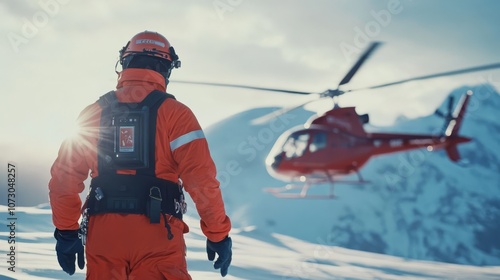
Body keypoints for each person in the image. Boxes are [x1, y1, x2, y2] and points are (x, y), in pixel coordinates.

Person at [48, 31, 232, 279]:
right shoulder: (177, 115)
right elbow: (202, 181)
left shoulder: (93, 113)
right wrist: (217, 234)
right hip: (158, 234)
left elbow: (64, 179)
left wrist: (66, 231)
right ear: (166, 68)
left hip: (104, 236)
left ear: (124, 63)